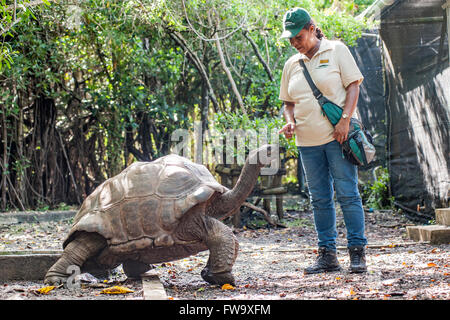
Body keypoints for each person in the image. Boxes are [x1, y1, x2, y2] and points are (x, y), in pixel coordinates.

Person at [278, 7, 368, 274]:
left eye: (298, 36)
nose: (294, 42)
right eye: (290, 39)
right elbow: (288, 103)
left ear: (311, 29)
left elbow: (354, 85)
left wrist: (345, 120)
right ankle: (327, 255)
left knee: (348, 194)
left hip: (338, 138)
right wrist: (290, 121)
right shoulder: (291, 64)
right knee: (319, 199)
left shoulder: (337, 50)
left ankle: (357, 253)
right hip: (307, 143)